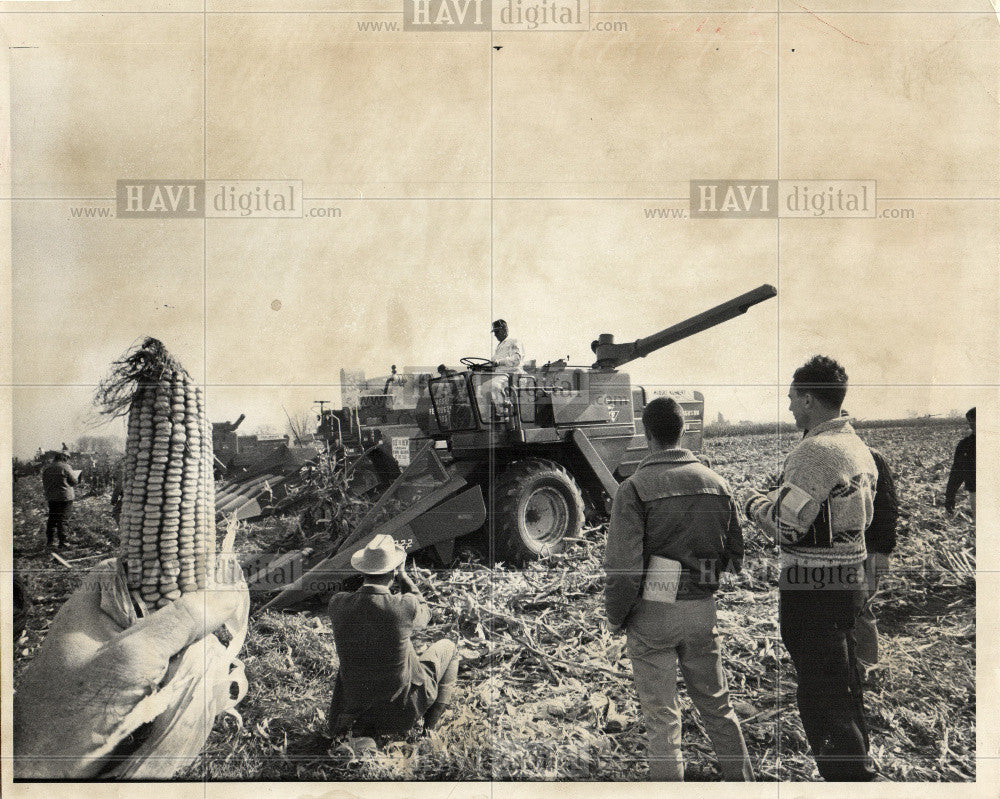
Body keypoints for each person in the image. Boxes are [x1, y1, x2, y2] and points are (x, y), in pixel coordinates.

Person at [741, 355, 878, 781]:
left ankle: (849, 780)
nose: (788, 408)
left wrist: (751, 503)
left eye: (792, 399)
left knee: (820, 693)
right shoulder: (857, 445)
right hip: (850, 577)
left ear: (809, 400)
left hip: (812, 586)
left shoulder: (814, 452)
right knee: (845, 679)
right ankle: (857, 763)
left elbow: (787, 528)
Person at [604, 397, 753, 782]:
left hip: (653, 614)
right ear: (683, 430)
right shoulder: (718, 483)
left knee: (663, 721)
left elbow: (624, 570)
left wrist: (617, 616)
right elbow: (735, 554)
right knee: (718, 707)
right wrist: (700, 578)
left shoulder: (634, 489)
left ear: (646, 433)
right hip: (702, 609)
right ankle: (744, 785)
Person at [327, 535, 460, 738]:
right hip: (399, 713)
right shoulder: (404, 606)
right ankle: (429, 730)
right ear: (393, 571)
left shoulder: (337, 604)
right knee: (450, 648)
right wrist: (404, 576)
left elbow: (363, 603)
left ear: (362, 570)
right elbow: (425, 617)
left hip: (355, 711)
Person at [856, 446, 898, 673]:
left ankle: (865, 669)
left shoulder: (871, 457)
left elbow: (888, 505)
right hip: (841, 552)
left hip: (870, 548)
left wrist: (883, 552)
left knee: (861, 609)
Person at [479, 319, 523, 418]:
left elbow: (516, 360)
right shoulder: (499, 346)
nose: (495, 335)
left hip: (512, 375)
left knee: (493, 385)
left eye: (497, 332)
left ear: (505, 330)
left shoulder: (513, 342)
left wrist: (499, 362)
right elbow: (494, 362)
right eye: (494, 332)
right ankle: (487, 414)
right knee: (481, 386)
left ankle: (504, 412)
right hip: (500, 374)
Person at [41, 451, 79, 548]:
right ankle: (64, 543)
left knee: (52, 519)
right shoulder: (65, 467)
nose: (68, 460)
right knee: (63, 519)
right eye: (67, 458)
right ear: (64, 458)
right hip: (65, 497)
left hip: (52, 497)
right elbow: (74, 481)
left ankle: (50, 542)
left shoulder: (47, 468)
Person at [945, 407, 975, 519]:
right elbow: (957, 472)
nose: (971, 424)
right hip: (976, 493)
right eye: (971, 421)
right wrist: (950, 497)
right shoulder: (965, 445)